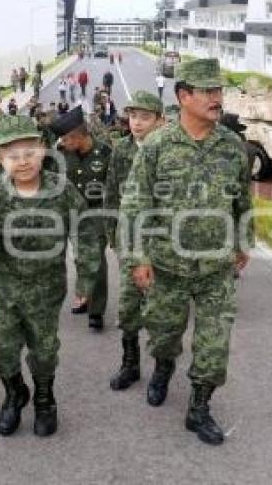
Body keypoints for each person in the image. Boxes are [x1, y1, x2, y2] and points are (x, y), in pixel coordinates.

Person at [120, 58, 252, 446]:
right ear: (183, 96)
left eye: (219, 91)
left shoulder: (232, 147)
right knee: (164, 335)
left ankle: (199, 407)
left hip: (216, 268)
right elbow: (134, 204)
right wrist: (137, 258)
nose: (216, 99)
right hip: (167, 266)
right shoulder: (158, 146)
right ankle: (162, 367)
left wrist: (244, 241)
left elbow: (243, 199)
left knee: (214, 344)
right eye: (208, 92)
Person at [0, 116, 101, 437]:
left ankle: (44, 398)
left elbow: (84, 235)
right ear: (0, 159)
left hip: (47, 289)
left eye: (29, 153)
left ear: (43, 150)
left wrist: (85, 280)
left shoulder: (61, 191)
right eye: (13, 156)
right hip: (5, 288)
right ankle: (15, 393)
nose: (23, 162)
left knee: (43, 351)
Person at [104, 91, 163, 392]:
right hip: (129, 238)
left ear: (159, 120)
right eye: (133, 116)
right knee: (128, 305)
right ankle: (130, 363)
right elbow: (112, 192)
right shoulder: (122, 149)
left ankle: (161, 371)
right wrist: (111, 232)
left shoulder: (168, 150)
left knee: (160, 309)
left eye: (144, 117)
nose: (137, 123)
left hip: (161, 240)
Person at [49, 106, 112, 330]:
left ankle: (96, 311)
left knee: (95, 260)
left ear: (79, 135)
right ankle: (83, 295)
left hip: (94, 213)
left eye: (66, 138)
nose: (63, 142)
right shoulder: (60, 153)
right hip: (65, 213)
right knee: (73, 258)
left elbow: (114, 187)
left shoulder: (105, 153)